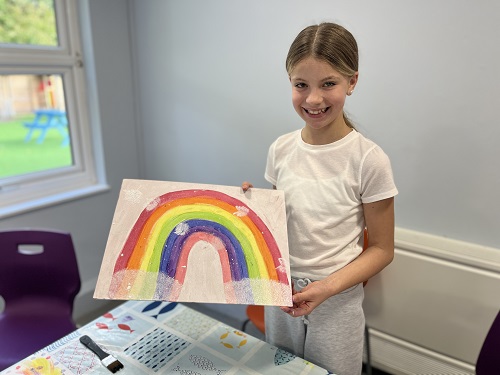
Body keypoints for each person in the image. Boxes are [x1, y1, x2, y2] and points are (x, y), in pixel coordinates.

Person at [242, 22, 398, 375]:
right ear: (290, 84)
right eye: (301, 85)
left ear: (352, 82)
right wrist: (251, 211)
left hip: (335, 304)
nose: (313, 99)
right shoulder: (280, 149)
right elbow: (278, 225)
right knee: (278, 370)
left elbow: (382, 249)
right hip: (279, 295)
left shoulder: (368, 159)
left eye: (328, 83)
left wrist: (326, 288)